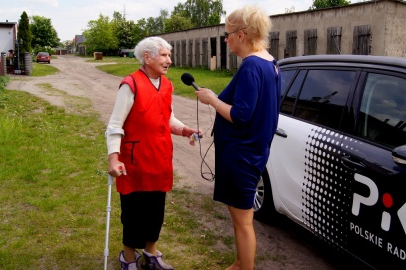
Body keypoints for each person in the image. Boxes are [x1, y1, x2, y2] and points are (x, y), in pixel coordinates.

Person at [195, 5, 281, 270]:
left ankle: (245, 267)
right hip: (253, 151)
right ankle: (239, 263)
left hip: (242, 154)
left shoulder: (251, 66)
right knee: (240, 217)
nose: (225, 39)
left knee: (242, 221)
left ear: (241, 35)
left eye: (227, 33)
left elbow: (242, 115)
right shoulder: (270, 63)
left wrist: (211, 100)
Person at [106, 36, 202, 270]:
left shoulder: (167, 85)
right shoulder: (130, 84)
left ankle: (150, 255)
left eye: (169, 55)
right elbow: (115, 125)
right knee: (132, 213)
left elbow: (166, 117)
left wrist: (184, 130)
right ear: (147, 58)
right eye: (164, 55)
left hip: (160, 159)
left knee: (155, 210)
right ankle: (128, 259)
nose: (169, 60)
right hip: (134, 161)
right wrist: (114, 157)